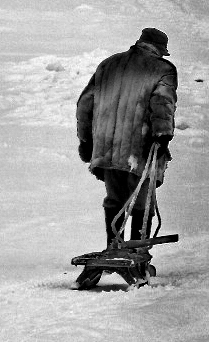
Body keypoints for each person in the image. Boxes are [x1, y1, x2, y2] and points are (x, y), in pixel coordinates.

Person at [76, 27, 178, 247]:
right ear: (159, 49)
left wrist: (86, 140)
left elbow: (85, 103)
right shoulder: (162, 69)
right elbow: (162, 103)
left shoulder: (108, 64)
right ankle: (136, 254)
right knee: (142, 201)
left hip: (106, 147)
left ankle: (114, 248)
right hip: (139, 148)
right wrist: (162, 135)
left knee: (115, 199)